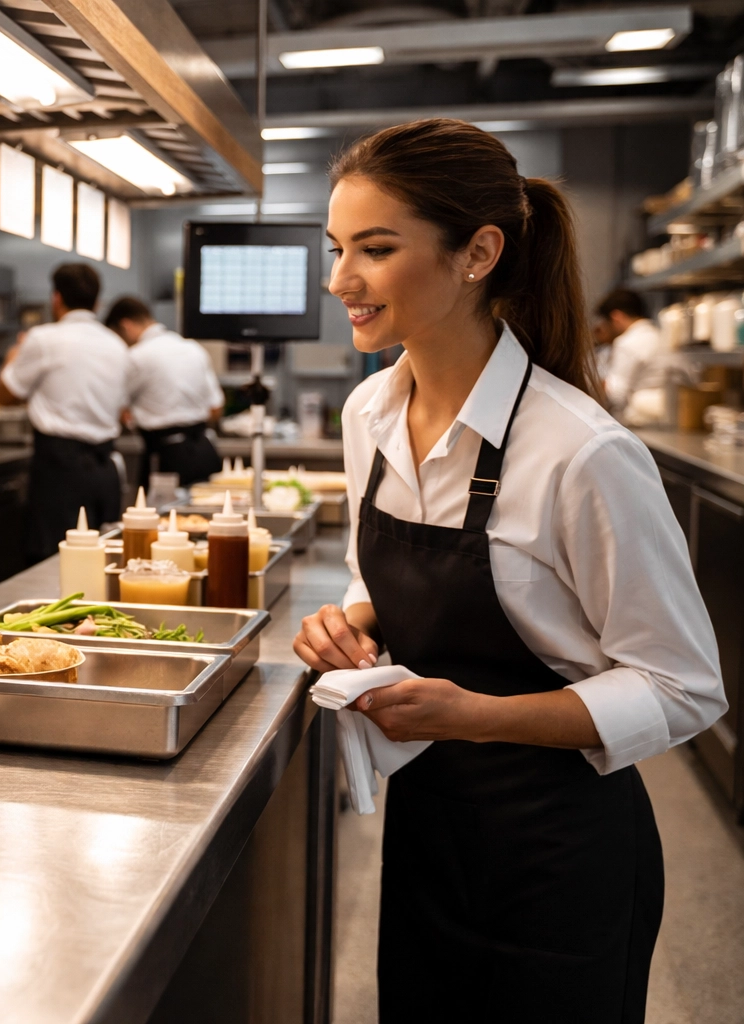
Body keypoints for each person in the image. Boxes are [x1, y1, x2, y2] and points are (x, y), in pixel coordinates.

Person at [296, 118, 723, 1020]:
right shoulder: (369, 412)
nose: (340, 280)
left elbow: (685, 687)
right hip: (430, 842)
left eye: (375, 248)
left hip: (558, 862)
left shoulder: (581, 452)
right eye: (336, 249)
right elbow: (384, 575)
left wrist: (475, 715)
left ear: (478, 252)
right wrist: (356, 619)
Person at [0, 263, 128, 562]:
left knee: (52, 561)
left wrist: (12, 356)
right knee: (100, 559)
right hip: (104, 467)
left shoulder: (43, 339)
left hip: (60, 470)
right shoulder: (116, 344)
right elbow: (122, 408)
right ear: (97, 301)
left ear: (56, 298)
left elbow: (5, 395)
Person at [105, 295, 224, 490]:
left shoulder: (137, 356)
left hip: (167, 456)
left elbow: (117, 408)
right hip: (205, 451)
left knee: (161, 518)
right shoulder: (193, 348)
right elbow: (216, 408)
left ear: (126, 326)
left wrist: (133, 417)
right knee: (207, 514)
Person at [595, 288, 671, 424]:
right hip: (665, 420)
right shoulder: (659, 335)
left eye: (605, 322)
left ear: (616, 317)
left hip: (636, 424)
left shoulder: (627, 343)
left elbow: (617, 395)